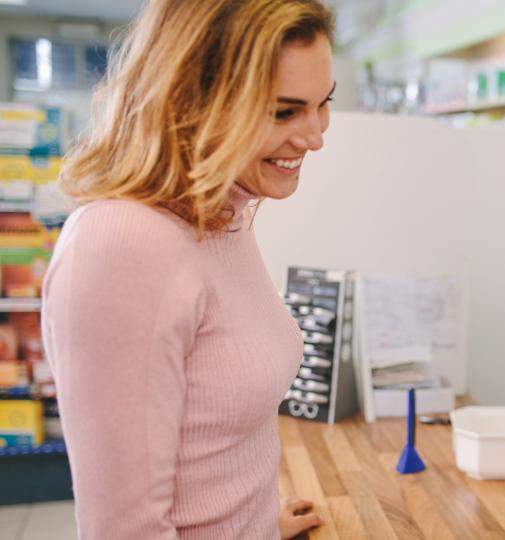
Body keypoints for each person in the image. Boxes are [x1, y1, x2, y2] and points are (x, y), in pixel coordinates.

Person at [41, 0, 336, 538]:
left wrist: (252, 519)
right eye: (283, 111)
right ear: (192, 100)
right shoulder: (122, 246)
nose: (315, 135)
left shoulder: (225, 211)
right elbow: (125, 530)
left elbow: (204, 437)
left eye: (323, 104)